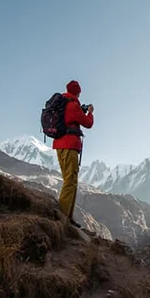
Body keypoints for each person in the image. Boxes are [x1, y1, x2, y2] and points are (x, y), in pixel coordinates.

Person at [52, 80, 93, 228]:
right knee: (71, 182)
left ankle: (68, 217)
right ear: (78, 92)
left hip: (59, 146)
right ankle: (63, 218)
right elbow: (88, 123)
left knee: (68, 180)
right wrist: (90, 112)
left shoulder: (61, 104)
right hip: (70, 146)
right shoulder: (73, 105)